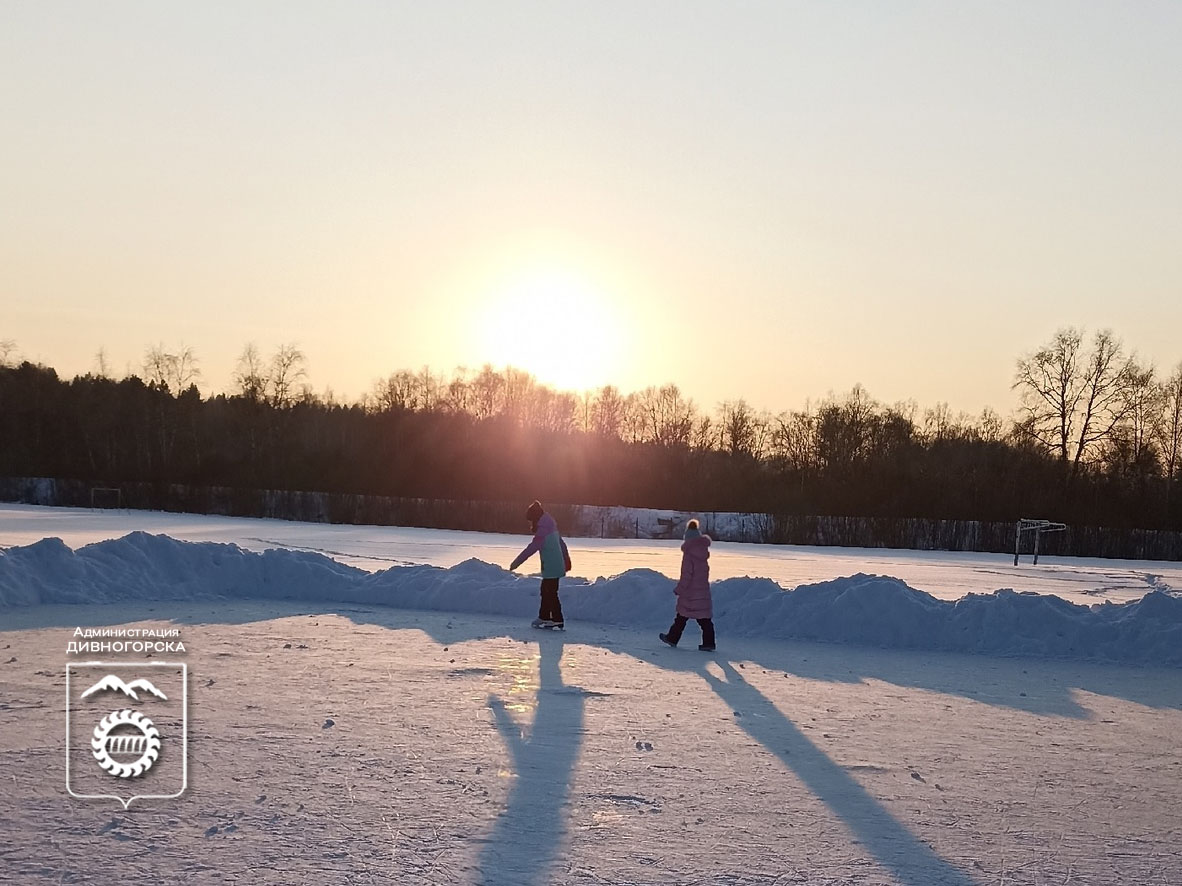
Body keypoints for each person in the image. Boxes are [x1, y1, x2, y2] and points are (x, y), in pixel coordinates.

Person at [509, 500, 572, 630]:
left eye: (531, 520)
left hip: (552, 566)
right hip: (554, 564)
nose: (531, 523)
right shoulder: (550, 525)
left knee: (550, 592)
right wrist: (566, 559)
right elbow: (562, 543)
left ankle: (557, 619)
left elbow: (532, 548)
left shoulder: (543, 530)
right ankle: (544, 617)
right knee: (546, 590)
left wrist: (516, 562)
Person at [659, 519, 716, 651]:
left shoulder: (689, 555)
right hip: (702, 591)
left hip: (690, 593)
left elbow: (687, 575)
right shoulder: (703, 553)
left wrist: (679, 589)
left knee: (681, 616)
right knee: (704, 619)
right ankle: (709, 642)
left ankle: (672, 638)